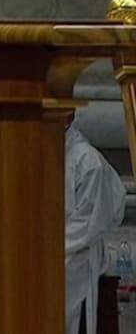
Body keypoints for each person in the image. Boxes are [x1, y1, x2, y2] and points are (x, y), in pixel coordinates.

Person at [65, 117, 125, 334]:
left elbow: (88, 224)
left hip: (74, 260)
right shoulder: (35, 149)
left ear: (68, 116)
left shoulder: (87, 161)